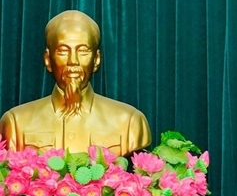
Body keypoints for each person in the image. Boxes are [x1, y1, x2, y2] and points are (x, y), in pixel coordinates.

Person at [0, 10, 150, 155]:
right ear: (48, 60)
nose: (73, 61)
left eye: (83, 51)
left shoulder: (130, 122)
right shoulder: (16, 122)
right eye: (63, 51)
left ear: (96, 60)